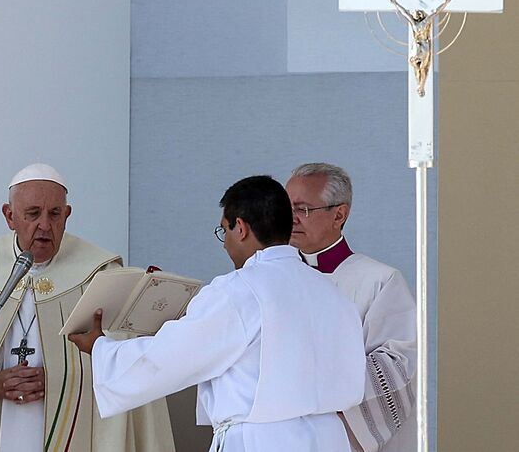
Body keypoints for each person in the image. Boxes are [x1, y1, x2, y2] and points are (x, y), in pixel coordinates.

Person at [69, 175, 366, 452]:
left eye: (224, 230)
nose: (225, 243)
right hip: (330, 438)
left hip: (261, 441)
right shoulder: (331, 290)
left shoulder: (239, 289)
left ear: (241, 228)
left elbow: (172, 357)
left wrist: (102, 349)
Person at [0, 163, 173, 452]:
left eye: (54, 214)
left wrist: (60, 381)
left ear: (67, 215)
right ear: (9, 216)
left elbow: (126, 369)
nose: (45, 225)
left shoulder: (100, 274)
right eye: (33, 213)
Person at [286, 163, 417, 452]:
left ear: (339, 215)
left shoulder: (380, 281)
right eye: (286, 208)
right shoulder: (274, 282)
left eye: (303, 209)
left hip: (343, 436)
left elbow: (398, 365)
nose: (291, 218)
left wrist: (312, 378)